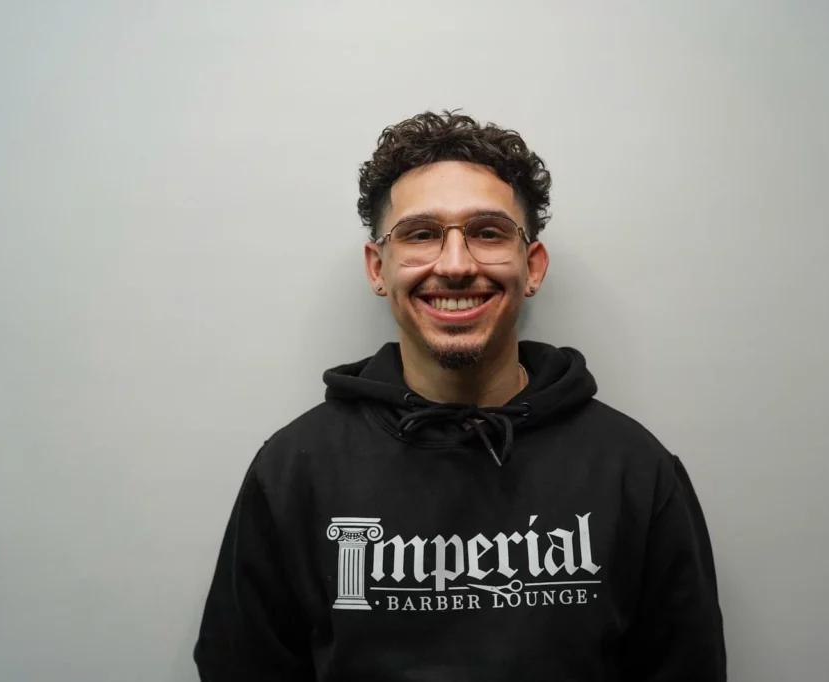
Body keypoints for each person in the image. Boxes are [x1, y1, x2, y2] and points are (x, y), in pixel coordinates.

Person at [194, 111, 727, 681]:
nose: (454, 264)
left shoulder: (634, 471)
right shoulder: (294, 471)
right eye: (421, 234)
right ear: (379, 266)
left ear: (533, 265)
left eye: (488, 233)